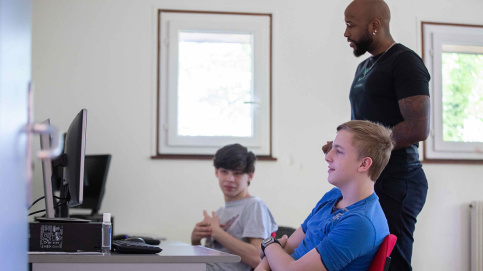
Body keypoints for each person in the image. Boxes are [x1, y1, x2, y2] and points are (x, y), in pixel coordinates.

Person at [341, 0, 431, 270]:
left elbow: (417, 128)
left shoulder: (405, 62)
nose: (346, 33)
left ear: (374, 25)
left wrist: (363, 146)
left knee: (393, 263)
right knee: (367, 261)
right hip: (371, 178)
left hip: (398, 180)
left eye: (350, 25)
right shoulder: (365, 68)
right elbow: (366, 124)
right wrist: (344, 144)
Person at [255, 120, 394, 271]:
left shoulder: (360, 223)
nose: (328, 156)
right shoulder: (333, 196)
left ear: (363, 164)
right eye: (331, 148)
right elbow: (287, 248)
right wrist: (270, 253)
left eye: (339, 151)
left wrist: (268, 244)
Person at [191, 143, 278, 271]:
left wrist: (218, 233)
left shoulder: (254, 205)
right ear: (216, 172)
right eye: (224, 172)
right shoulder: (219, 212)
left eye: (237, 173)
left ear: (250, 176)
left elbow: (259, 259)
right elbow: (208, 260)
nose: (229, 179)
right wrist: (195, 241)